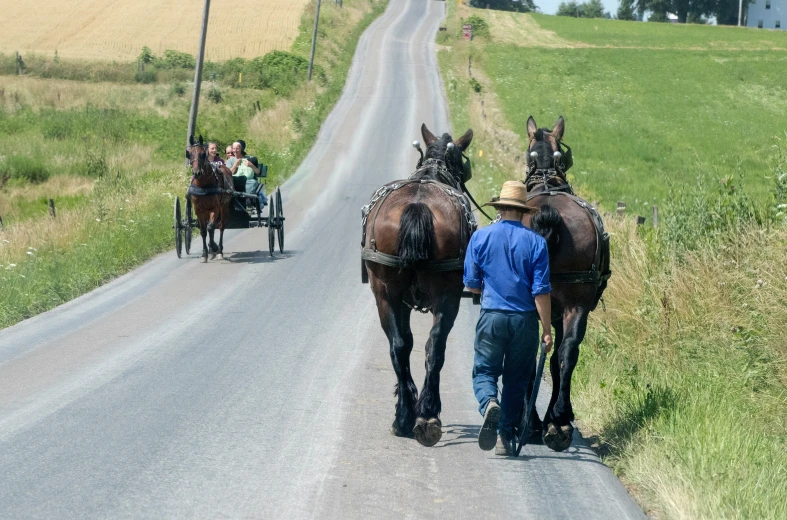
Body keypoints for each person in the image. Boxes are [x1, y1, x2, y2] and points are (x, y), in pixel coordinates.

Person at [463, 181, 553, 456]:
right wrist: (547, 330)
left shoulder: (480, 237)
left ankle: (489, 402)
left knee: (485, 371)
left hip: (492, 317)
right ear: (524, 211)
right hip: (525, 322)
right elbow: (541, 292)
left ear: (500, 208)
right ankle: (504, 437)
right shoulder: (537, 243)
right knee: (516, 380)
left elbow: (472, 284)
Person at [226, 141, 267, 207]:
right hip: (235, 180)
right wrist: (235, 165)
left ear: (241, 149)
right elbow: (229, 173)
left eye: (237, 148)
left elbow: (258, 172)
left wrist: (251, 165)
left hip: (248, 180)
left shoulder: (251, 159)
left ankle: (248, 200)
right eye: (234, 148)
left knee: (252, 183)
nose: (235, 150)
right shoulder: (230, 161)